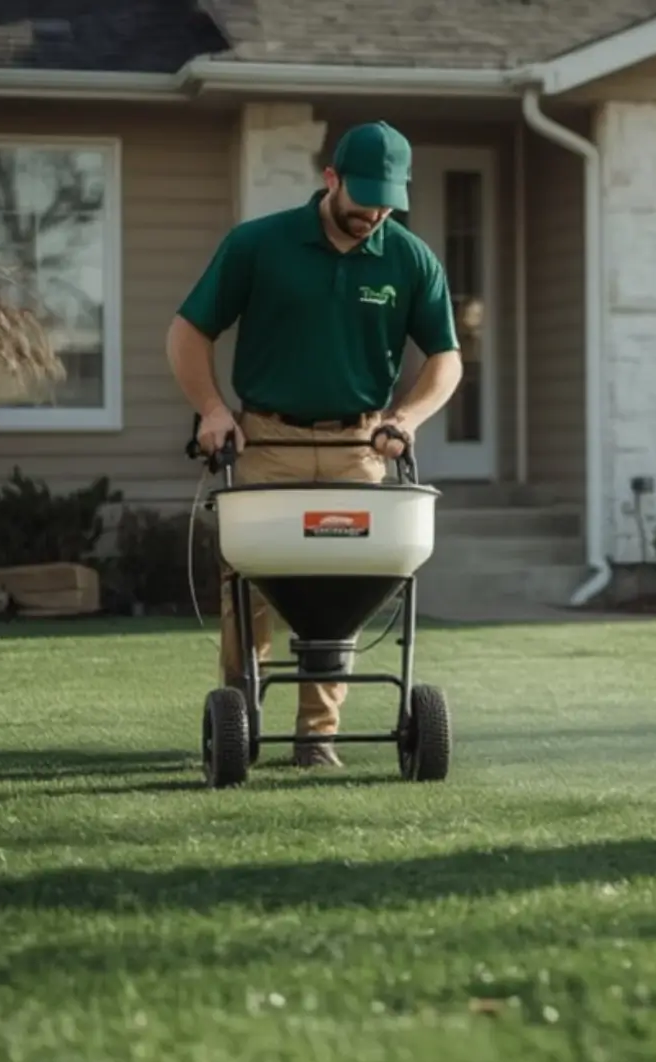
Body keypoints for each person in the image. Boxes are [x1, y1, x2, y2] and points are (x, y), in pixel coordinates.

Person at [166, 120, 462, 768]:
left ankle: (317, 737)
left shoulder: (409, 258)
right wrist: (212, 410)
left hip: (362, 443)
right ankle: (241, 717)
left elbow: (446, 358)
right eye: (364, 199)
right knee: (249, 585)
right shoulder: (259, 245)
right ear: (331, 179)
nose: (373, 215)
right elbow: (188, 331)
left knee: (343, 587)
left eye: (386, 204)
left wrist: (406, 419)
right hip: (267, 440)